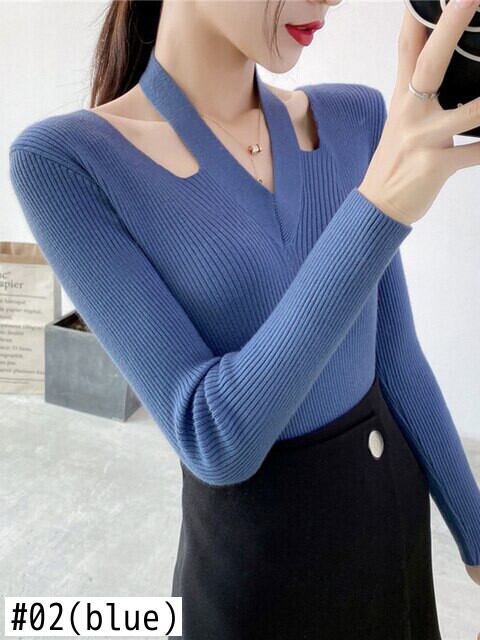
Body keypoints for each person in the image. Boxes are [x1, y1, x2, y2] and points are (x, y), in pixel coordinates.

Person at [8, 0, 480, 637]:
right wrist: (379, 208)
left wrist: (475, 533)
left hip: (392, 540)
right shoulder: (67, 161)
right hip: (258, 581)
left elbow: (395, 359)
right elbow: (211, 437)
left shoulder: (357, 117)